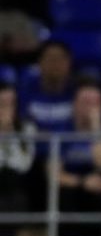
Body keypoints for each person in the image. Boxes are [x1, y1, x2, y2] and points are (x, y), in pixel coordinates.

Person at [51, 81, 101, 236]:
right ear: (74, 104)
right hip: (74, 186)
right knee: (63, 192)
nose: (91, 108)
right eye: (86, 102)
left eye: (96, 103)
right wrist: (83, 182)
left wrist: (96, 127)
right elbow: (53, 173)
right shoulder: (63, 130)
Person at [19, 39, 75, 133]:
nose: (55, 64)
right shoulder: (25, 93)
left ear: (69, 63)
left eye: (60, 59)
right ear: (40, 63)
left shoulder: (78, 93)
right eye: (50, 59)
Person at [0, 82, 36, 224]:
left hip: (17, 185)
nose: (6, 109)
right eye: (2, 104)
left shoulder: (27, 129)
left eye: (11, 104)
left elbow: (23, 165)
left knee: (13, 182)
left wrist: (8, 133)